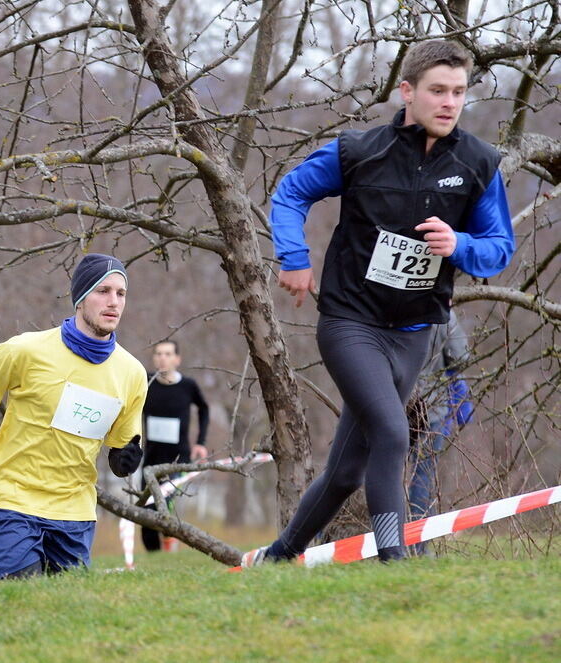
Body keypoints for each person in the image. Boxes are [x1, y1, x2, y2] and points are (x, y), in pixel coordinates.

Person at [245, 40, 514, 566]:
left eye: (459, 92)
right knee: (393, 432)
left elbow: (499, 248)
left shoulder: (480, 164)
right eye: (438, 90)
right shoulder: (359, 151)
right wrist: (295, 257)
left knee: (347, 469)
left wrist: (459, 244)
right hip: (351, 323)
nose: (449, 102)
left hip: (415, 334)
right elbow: (290, 192)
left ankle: (279, 558)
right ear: (407, 92)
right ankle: (396, 562)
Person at [0, 253, 148, 579]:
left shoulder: (132, 373)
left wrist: (125, 459)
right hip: (12, 499)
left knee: (65, 615)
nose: (113, 301)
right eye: (103, 291)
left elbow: (119, 449)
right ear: (80, 299)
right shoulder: (28, 349)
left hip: (75, 509)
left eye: (121, 293)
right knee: (20, 599)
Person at [408, 309, 473, 554]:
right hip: (431, 408)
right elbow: (460, 356)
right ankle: (418, 547)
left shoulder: (389, 300)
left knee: (383, 472)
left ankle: (377, 540)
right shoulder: (442, 311)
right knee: (423, 478)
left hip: (391, 403)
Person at [140, 340, 210, 552]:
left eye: (168, 354)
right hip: (150, 458)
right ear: (154, 358)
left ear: (177, 359)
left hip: (178, 459)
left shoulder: (188, 386)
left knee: (166, 504)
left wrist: (200, 443)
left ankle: (170, 541)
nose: (163, 358)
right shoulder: (145, 382)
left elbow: (204, 409)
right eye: (159, 354)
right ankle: (153, 554)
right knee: (146, 509)